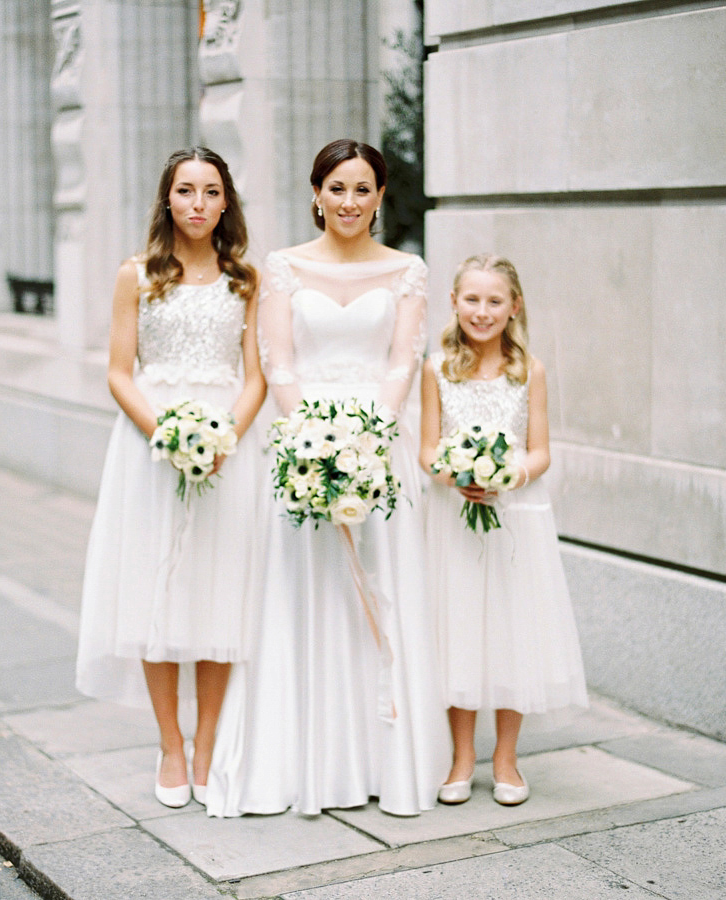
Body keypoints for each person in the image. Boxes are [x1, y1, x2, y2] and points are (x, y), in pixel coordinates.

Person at [206, 139, 446, 817]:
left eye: (362, 189)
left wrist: (367, 440)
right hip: (301, 451)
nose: (349, 202)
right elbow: (278, 363)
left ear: (380, 197)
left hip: (380, 449)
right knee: (308, 595)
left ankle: (384, 760)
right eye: (337, 188)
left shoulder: (407, 270)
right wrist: (315, 442)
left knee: (379, 590)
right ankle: (305, 761)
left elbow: (403, 361)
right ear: (317, 194)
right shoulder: (281, 268)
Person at [76, 147, 265, 808]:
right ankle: (170, 744)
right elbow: (119, 372)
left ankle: (209, 744)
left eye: (210, 193)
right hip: (150, 450)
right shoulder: (137, 275)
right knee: (157, 592)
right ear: (167, 200)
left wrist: (225, 439)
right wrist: (166, 434)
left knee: (219, 593)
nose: (197, 205)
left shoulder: (246, 279)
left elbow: (257, 375)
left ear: (225, 203)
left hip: (226, 455)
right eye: (185, 191)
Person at [419, 254, 588, 807]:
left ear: (514, 307)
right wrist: (457, 475)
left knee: (513, 628)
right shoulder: (436, 368)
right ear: (453, 302)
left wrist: (506, 475)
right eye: (472, 299)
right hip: (454, 516)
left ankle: (506, 757)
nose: (482, 311)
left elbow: (540, 452)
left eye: (495, 301)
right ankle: (462, 756)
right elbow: (425, 450)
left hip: (516, 514)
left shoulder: (529, 370)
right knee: (459, 626)